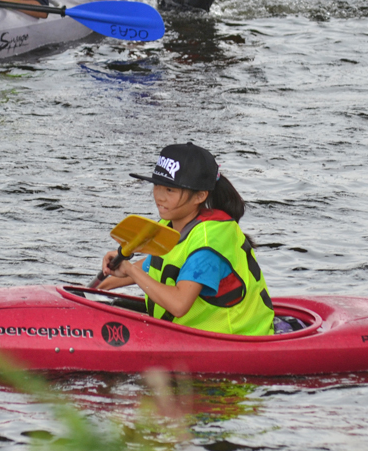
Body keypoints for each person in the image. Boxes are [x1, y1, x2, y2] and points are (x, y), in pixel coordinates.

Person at [99, 142, 275, 336]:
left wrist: (130, 270)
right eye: (157, 185)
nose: (159, 197)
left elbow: (179, 305)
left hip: (238, 340)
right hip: (191, 335)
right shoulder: (173, 223)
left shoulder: (209, 241)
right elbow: (156, 266)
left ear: (200, 196)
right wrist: (93, 288)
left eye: (170, 190)